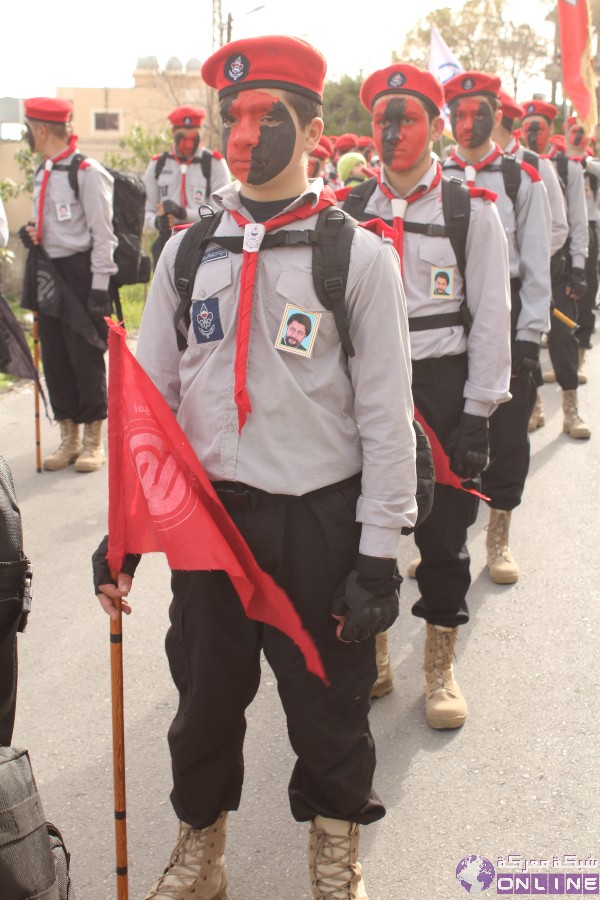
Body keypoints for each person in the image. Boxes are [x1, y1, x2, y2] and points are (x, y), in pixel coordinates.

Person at [93, 34, 417, 900]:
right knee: (201, 702)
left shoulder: (358, 257)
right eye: (228, 116)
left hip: (316, 519)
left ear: (310, 126)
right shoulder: (186, 254)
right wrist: (124, 529)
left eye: (262, 115)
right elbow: (148, 409)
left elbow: (388, 421)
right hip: (209, 525)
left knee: (328, 705)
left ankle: (336, 850)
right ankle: (203, 851)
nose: (240, 133)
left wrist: (380, 551)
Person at [342, 62, 511, 723]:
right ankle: (375, 651)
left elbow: (491, 317)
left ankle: (439, 669)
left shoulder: (471, 210)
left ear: (437, 127)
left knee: (443, 539)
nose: (391, 132)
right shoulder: (350, 210)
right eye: (383, 121)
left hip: (442, 391)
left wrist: (477, 413)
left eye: (406, 119)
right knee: (365, 527)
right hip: (369, 393)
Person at [441, 73, 552, 586]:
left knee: (505, 432)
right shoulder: (435, 176)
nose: (467, 125)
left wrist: (529, 335)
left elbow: (535, 263)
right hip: (446, 317)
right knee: (448, 429)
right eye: (458, 115)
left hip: (502, 314)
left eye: (476, 114)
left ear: (497, 117)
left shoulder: (522, 177)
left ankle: (498, 536)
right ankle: (444, 539)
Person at [18, 97, 118, 473]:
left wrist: (99, 289)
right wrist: (32, 234)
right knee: (56, 358)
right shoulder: (43, 171)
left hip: (81, 275)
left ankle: (94, 441)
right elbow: (50, 225)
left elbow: (103, 237)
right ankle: (69, 438)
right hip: (48, 272)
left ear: (41, 130)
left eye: (28, 129)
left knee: (85, 357)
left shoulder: (88, 172)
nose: (27, 136)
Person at [491, 89, 569, 434]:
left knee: (528, 358)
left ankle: (565, 406)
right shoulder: (461, 167)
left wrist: (529, 257)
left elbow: (559, 227)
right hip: (481, 290)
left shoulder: (535, 166)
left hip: (521, 282)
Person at [520, 99, 591, 439]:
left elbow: (575, 222)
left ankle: (570, 409)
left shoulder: (568, 169)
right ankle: (534, 406)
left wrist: (578, 265)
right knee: (524, 342)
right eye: (528, 127)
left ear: (551, 130)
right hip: (523, 274)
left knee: (562, 339)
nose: (533, 134)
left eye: (540, 127)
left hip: (557, 269)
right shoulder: (514, 165)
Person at [143, 106, 231, 267]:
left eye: (194, 137)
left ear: (200, 133)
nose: (188, 144)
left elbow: (222, 213)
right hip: (166, 244)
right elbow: (145, 212)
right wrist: (157, 222)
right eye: (182, 137)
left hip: (203, 245)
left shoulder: (215, 164)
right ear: (172, 133)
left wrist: (184, 214)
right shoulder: (157, 165)